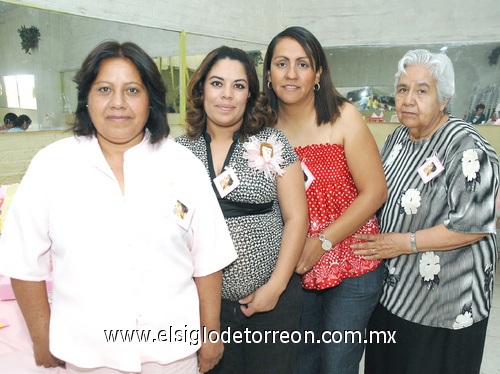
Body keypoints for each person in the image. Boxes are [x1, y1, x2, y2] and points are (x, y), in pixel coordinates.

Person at [0, 41, 237, 374]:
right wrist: (43, 338)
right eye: (104, 89)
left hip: (172, 357)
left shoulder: (183, 165)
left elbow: (207, 258)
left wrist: (210, 333)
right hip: (89, 359)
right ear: (87, 98)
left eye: (132, 90)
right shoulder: (52, 166)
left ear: (150, 99)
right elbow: (24, 263)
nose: (118, 104)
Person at [351, 49, 499, 374]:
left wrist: (404, 243)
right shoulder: (399, 138)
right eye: (403, 89)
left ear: (443, 99)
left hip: (444, 308)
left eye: (422, 90)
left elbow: (474, 224)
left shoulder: (466, 148)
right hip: (394, 295)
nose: (408, 99)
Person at [176, 46, 309, 374]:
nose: (227, 95)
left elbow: (296, 219)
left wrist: (274, 288)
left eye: (238, 85)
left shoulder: (271, 143)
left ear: (250, 93)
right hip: (200, 310)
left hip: (270, 308)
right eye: (217, 83)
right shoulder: (178, 151)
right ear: (201, 88)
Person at [263, 26, 387, 374]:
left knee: (336, 364)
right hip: (293, 267)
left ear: (317, 73)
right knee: (299, 363)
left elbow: (375, 191)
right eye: (281, 63)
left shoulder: (343, 117)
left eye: (302, 64)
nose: (291, 74)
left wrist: (324, 240)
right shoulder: (262, 129)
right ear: (269, 74)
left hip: (351, 263)